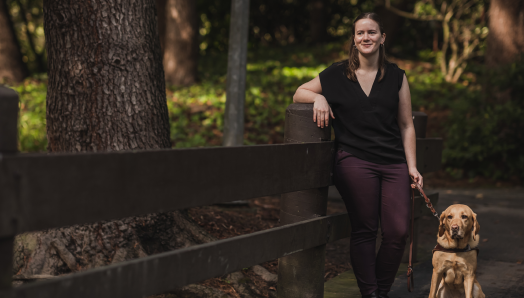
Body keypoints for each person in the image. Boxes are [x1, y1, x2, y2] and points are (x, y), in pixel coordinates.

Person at [292, 12, 423, 298]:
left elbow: (406, 124)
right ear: (354, 39)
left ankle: (381, 290)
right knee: (365, 228)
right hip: (354, 160)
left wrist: (412, 166)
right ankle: (371, 293)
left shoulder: (397, 77)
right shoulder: (336, 74)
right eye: (360, 33)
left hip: (393, 163)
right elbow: (299, 92)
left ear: (382, 38)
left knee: (398, 232)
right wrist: (320, 97)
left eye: (372, 32)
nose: (366, 37)